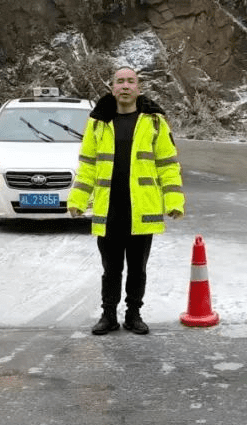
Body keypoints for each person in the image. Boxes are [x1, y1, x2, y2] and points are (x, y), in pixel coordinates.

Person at [68, 66, 185, 335]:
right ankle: (108, 315)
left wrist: (174, 201)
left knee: (137, 269)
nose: (125, 86)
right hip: (109, 210)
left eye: (130, 81)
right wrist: (78, 199)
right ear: (112, 88)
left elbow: (168, 165)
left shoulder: (155, 122)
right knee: (111, 269)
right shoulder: (98, 123)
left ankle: (134, 314)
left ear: (138, 88)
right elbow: (87, 166)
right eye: (119, 81)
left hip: (141, 210)